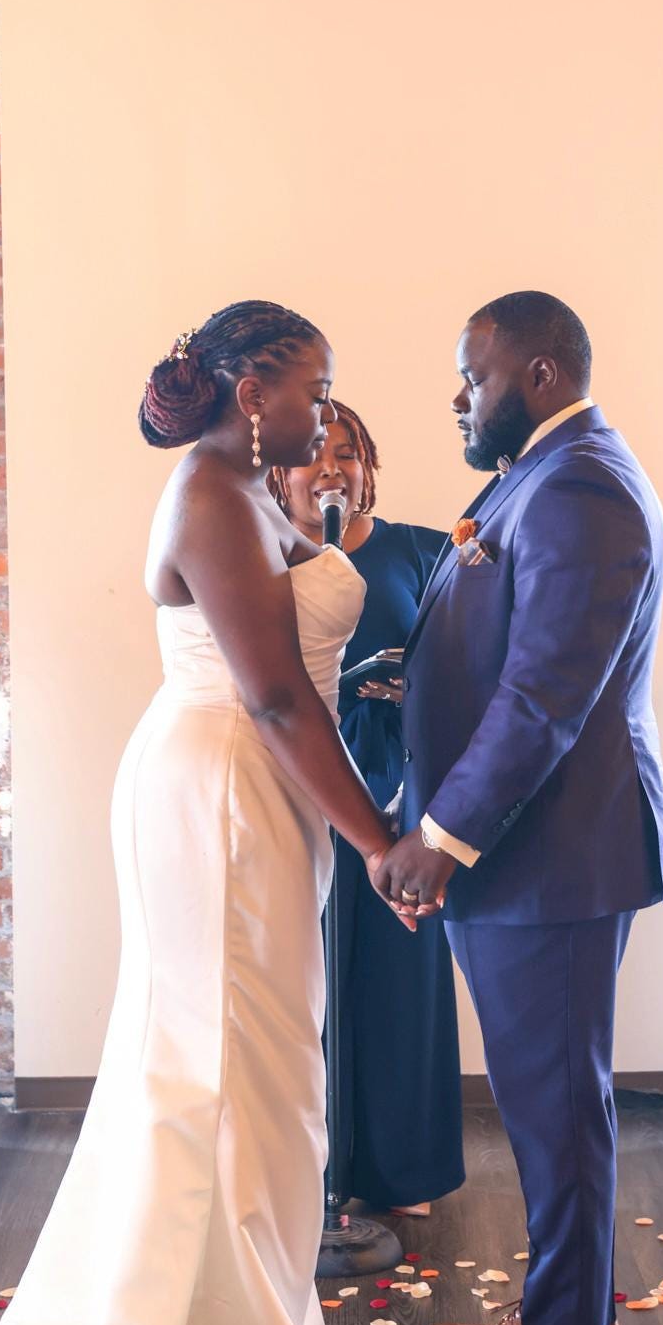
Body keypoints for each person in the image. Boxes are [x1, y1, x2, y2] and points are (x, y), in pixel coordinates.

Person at [0, 301, 396, 1325]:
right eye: (313, 386)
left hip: (259, 799)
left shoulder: (256, 490)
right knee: (205, 1072)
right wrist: (379, 842)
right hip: (216, 787)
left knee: (259, 1078)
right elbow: (273, 696)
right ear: (250, 383)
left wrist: (332, 532)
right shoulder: (208, 496)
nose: (324, 412)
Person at [373, 290, 663, 1325]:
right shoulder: (535, 475)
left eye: (474, 375)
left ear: (539, 373)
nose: (460, 395)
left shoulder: (584, 482)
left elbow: (548, 689)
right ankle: (562, 1318)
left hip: (547, 853)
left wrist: (439, 832)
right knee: (550, 1113)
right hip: (523, 855)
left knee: (559, 1119)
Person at [270, 403, 464, 1217]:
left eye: (346, 455)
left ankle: (399, 1170)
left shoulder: (422, 551)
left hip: (399, 802)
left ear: (369, 467)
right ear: (279, 472)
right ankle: (303, 1166)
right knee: (298, 976)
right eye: (314, 456)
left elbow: (468, 669)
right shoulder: (263, 558)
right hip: (300, 787)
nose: (331, 471)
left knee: (398, 983)